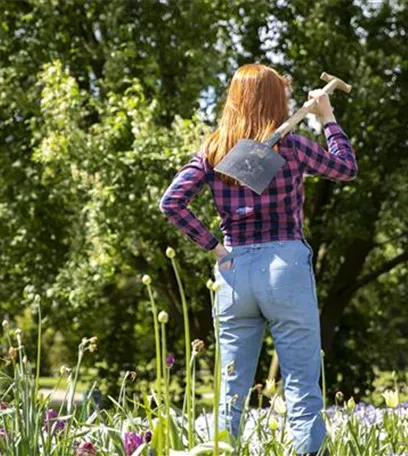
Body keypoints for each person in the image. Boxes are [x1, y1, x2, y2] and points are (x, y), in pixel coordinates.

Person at [159, 63, 357, 456]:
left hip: (233, 272)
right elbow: (346, 169)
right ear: (273, 101)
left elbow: (171, 202)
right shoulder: (294, 146)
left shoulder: (215, 148)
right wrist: (328, 116)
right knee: (301, 385)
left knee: (231, 392)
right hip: (285, 267)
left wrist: (215, 248)